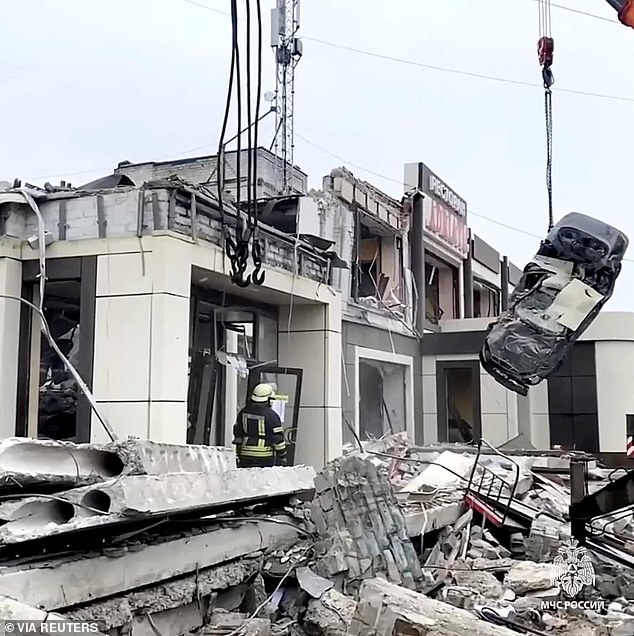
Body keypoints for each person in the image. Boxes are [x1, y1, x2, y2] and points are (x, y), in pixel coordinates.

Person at [233, 383, 288, 467]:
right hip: (264, 456)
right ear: (269, 399)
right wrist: (282, 455)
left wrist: (238, 452)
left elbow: (238, 433)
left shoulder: (243, 412)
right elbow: (277, 438)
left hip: (245, 454)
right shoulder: (272, 415)